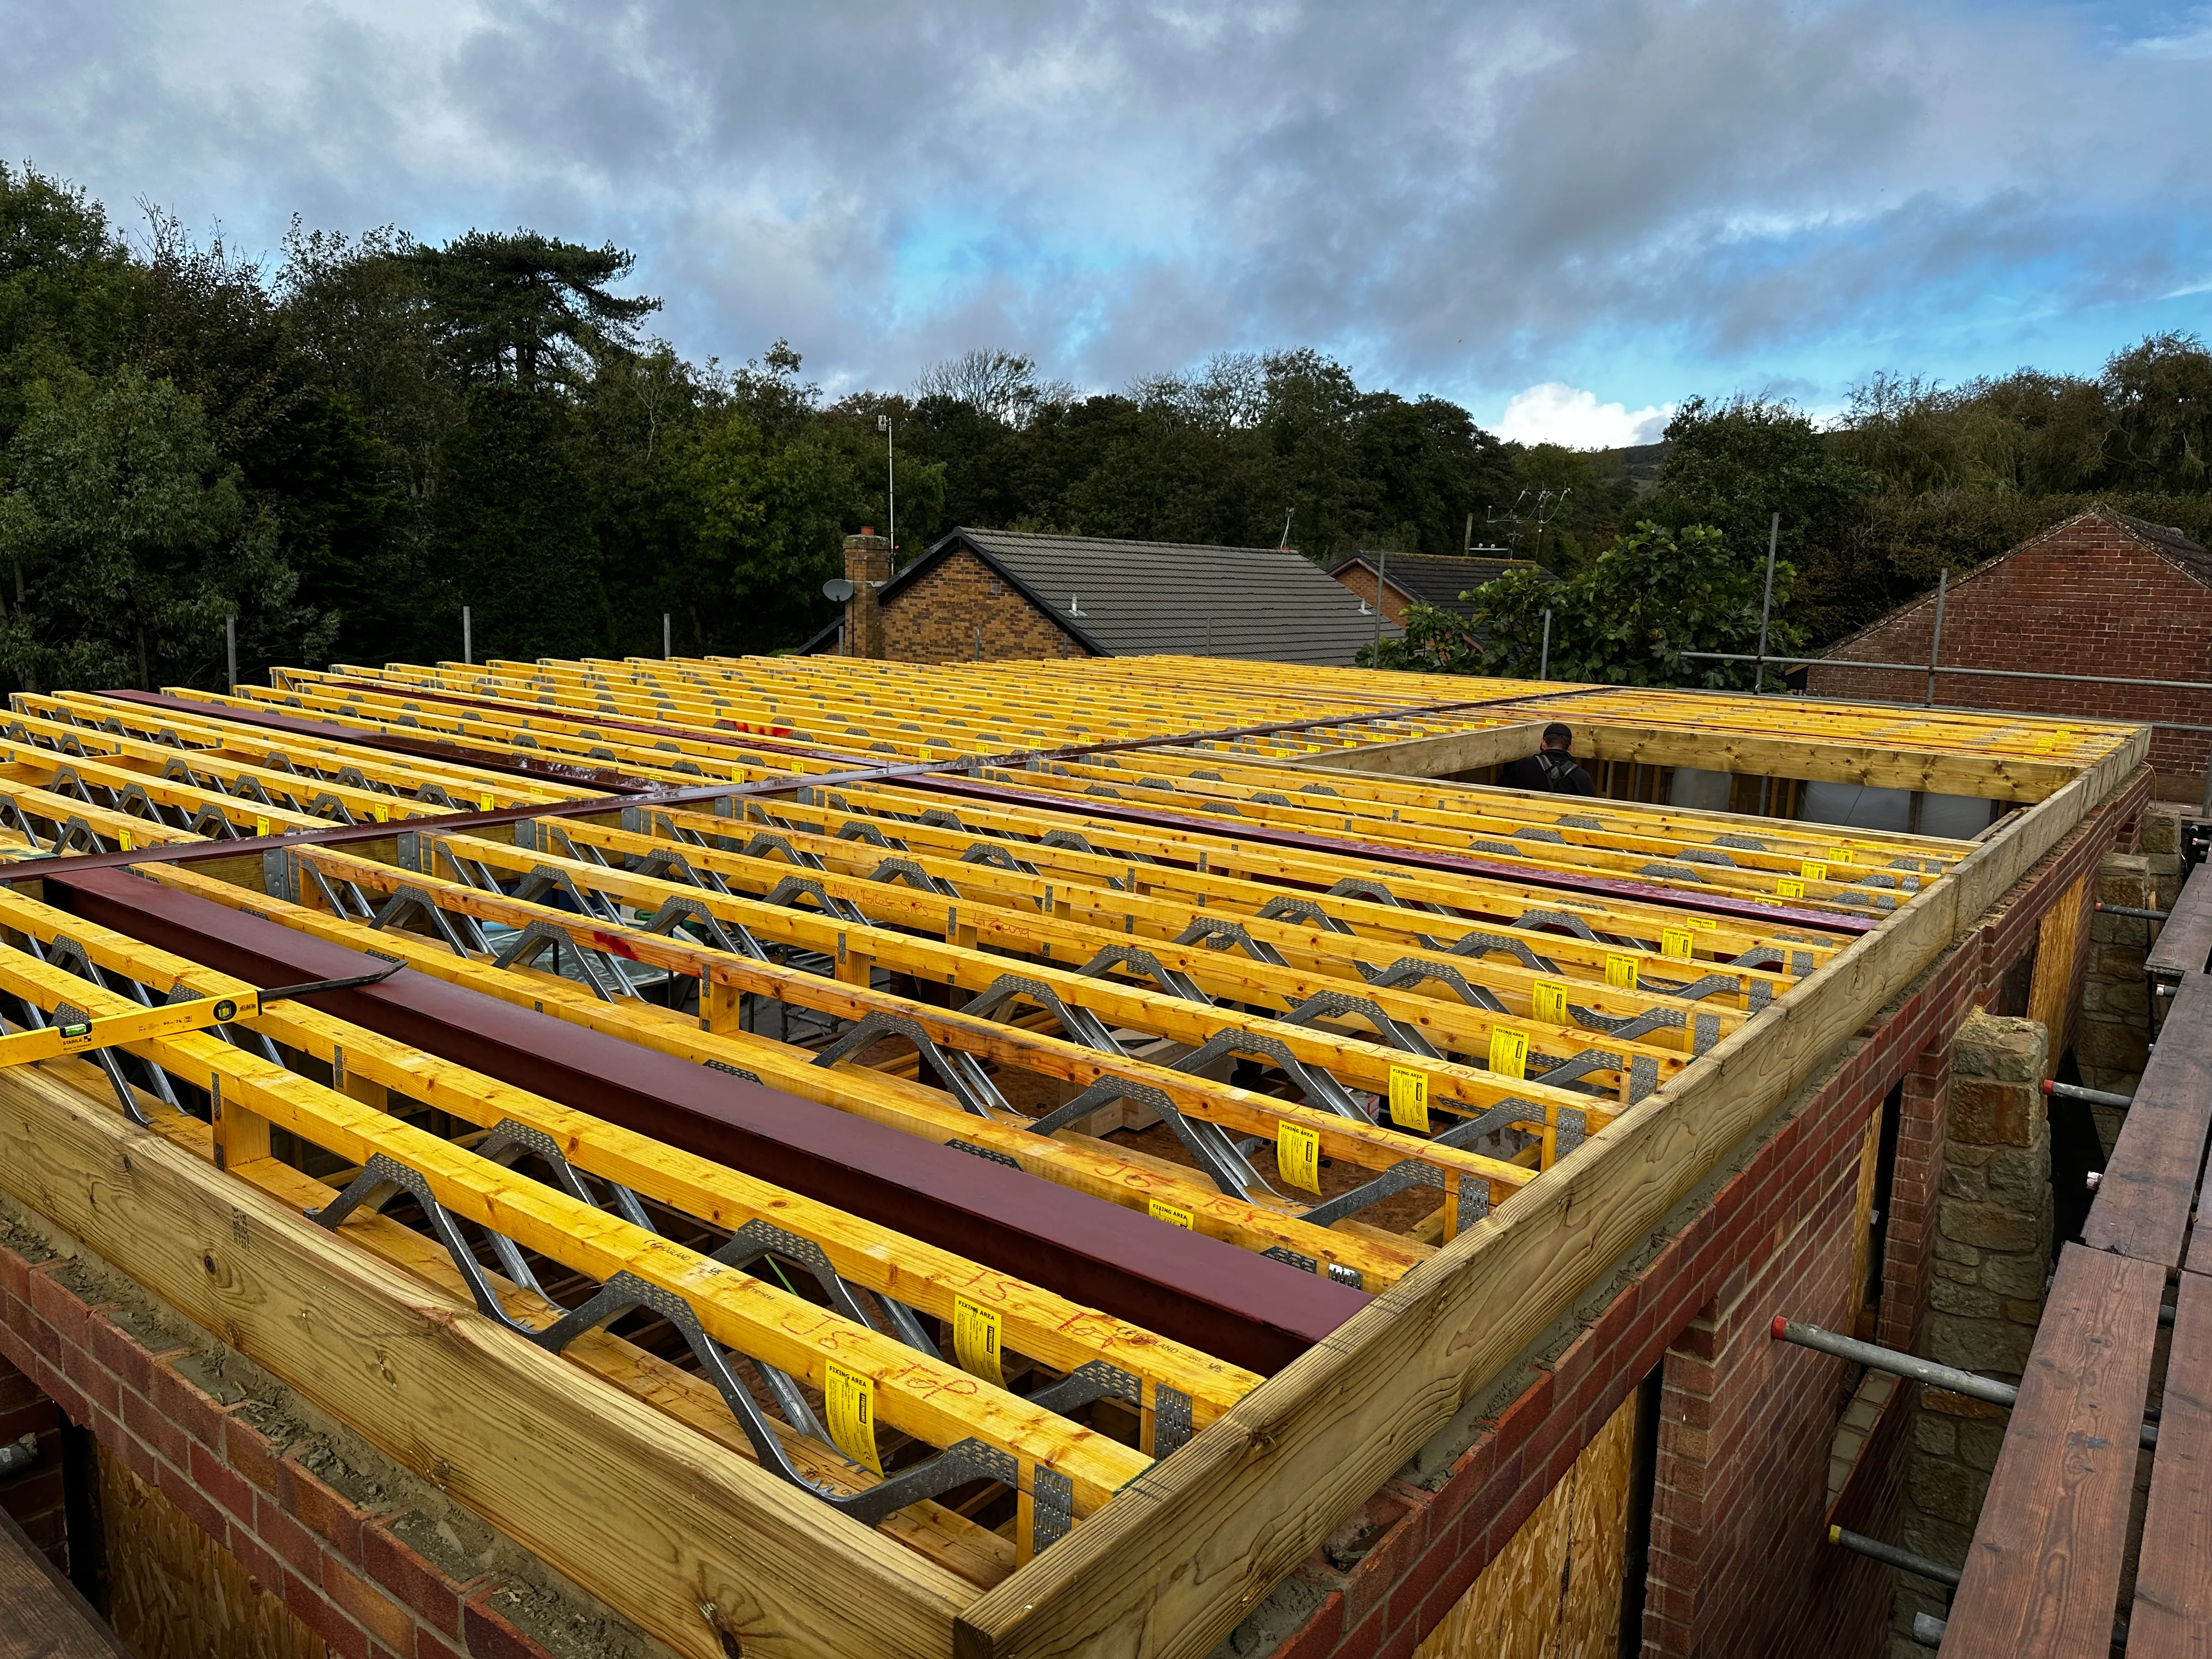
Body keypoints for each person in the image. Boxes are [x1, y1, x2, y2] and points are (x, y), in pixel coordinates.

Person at [1499, 723, 1598, 795]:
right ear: (1570, 747)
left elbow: (1500, 790)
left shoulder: (1524, 766)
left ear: (1543, 743)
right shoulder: (1582, 777)